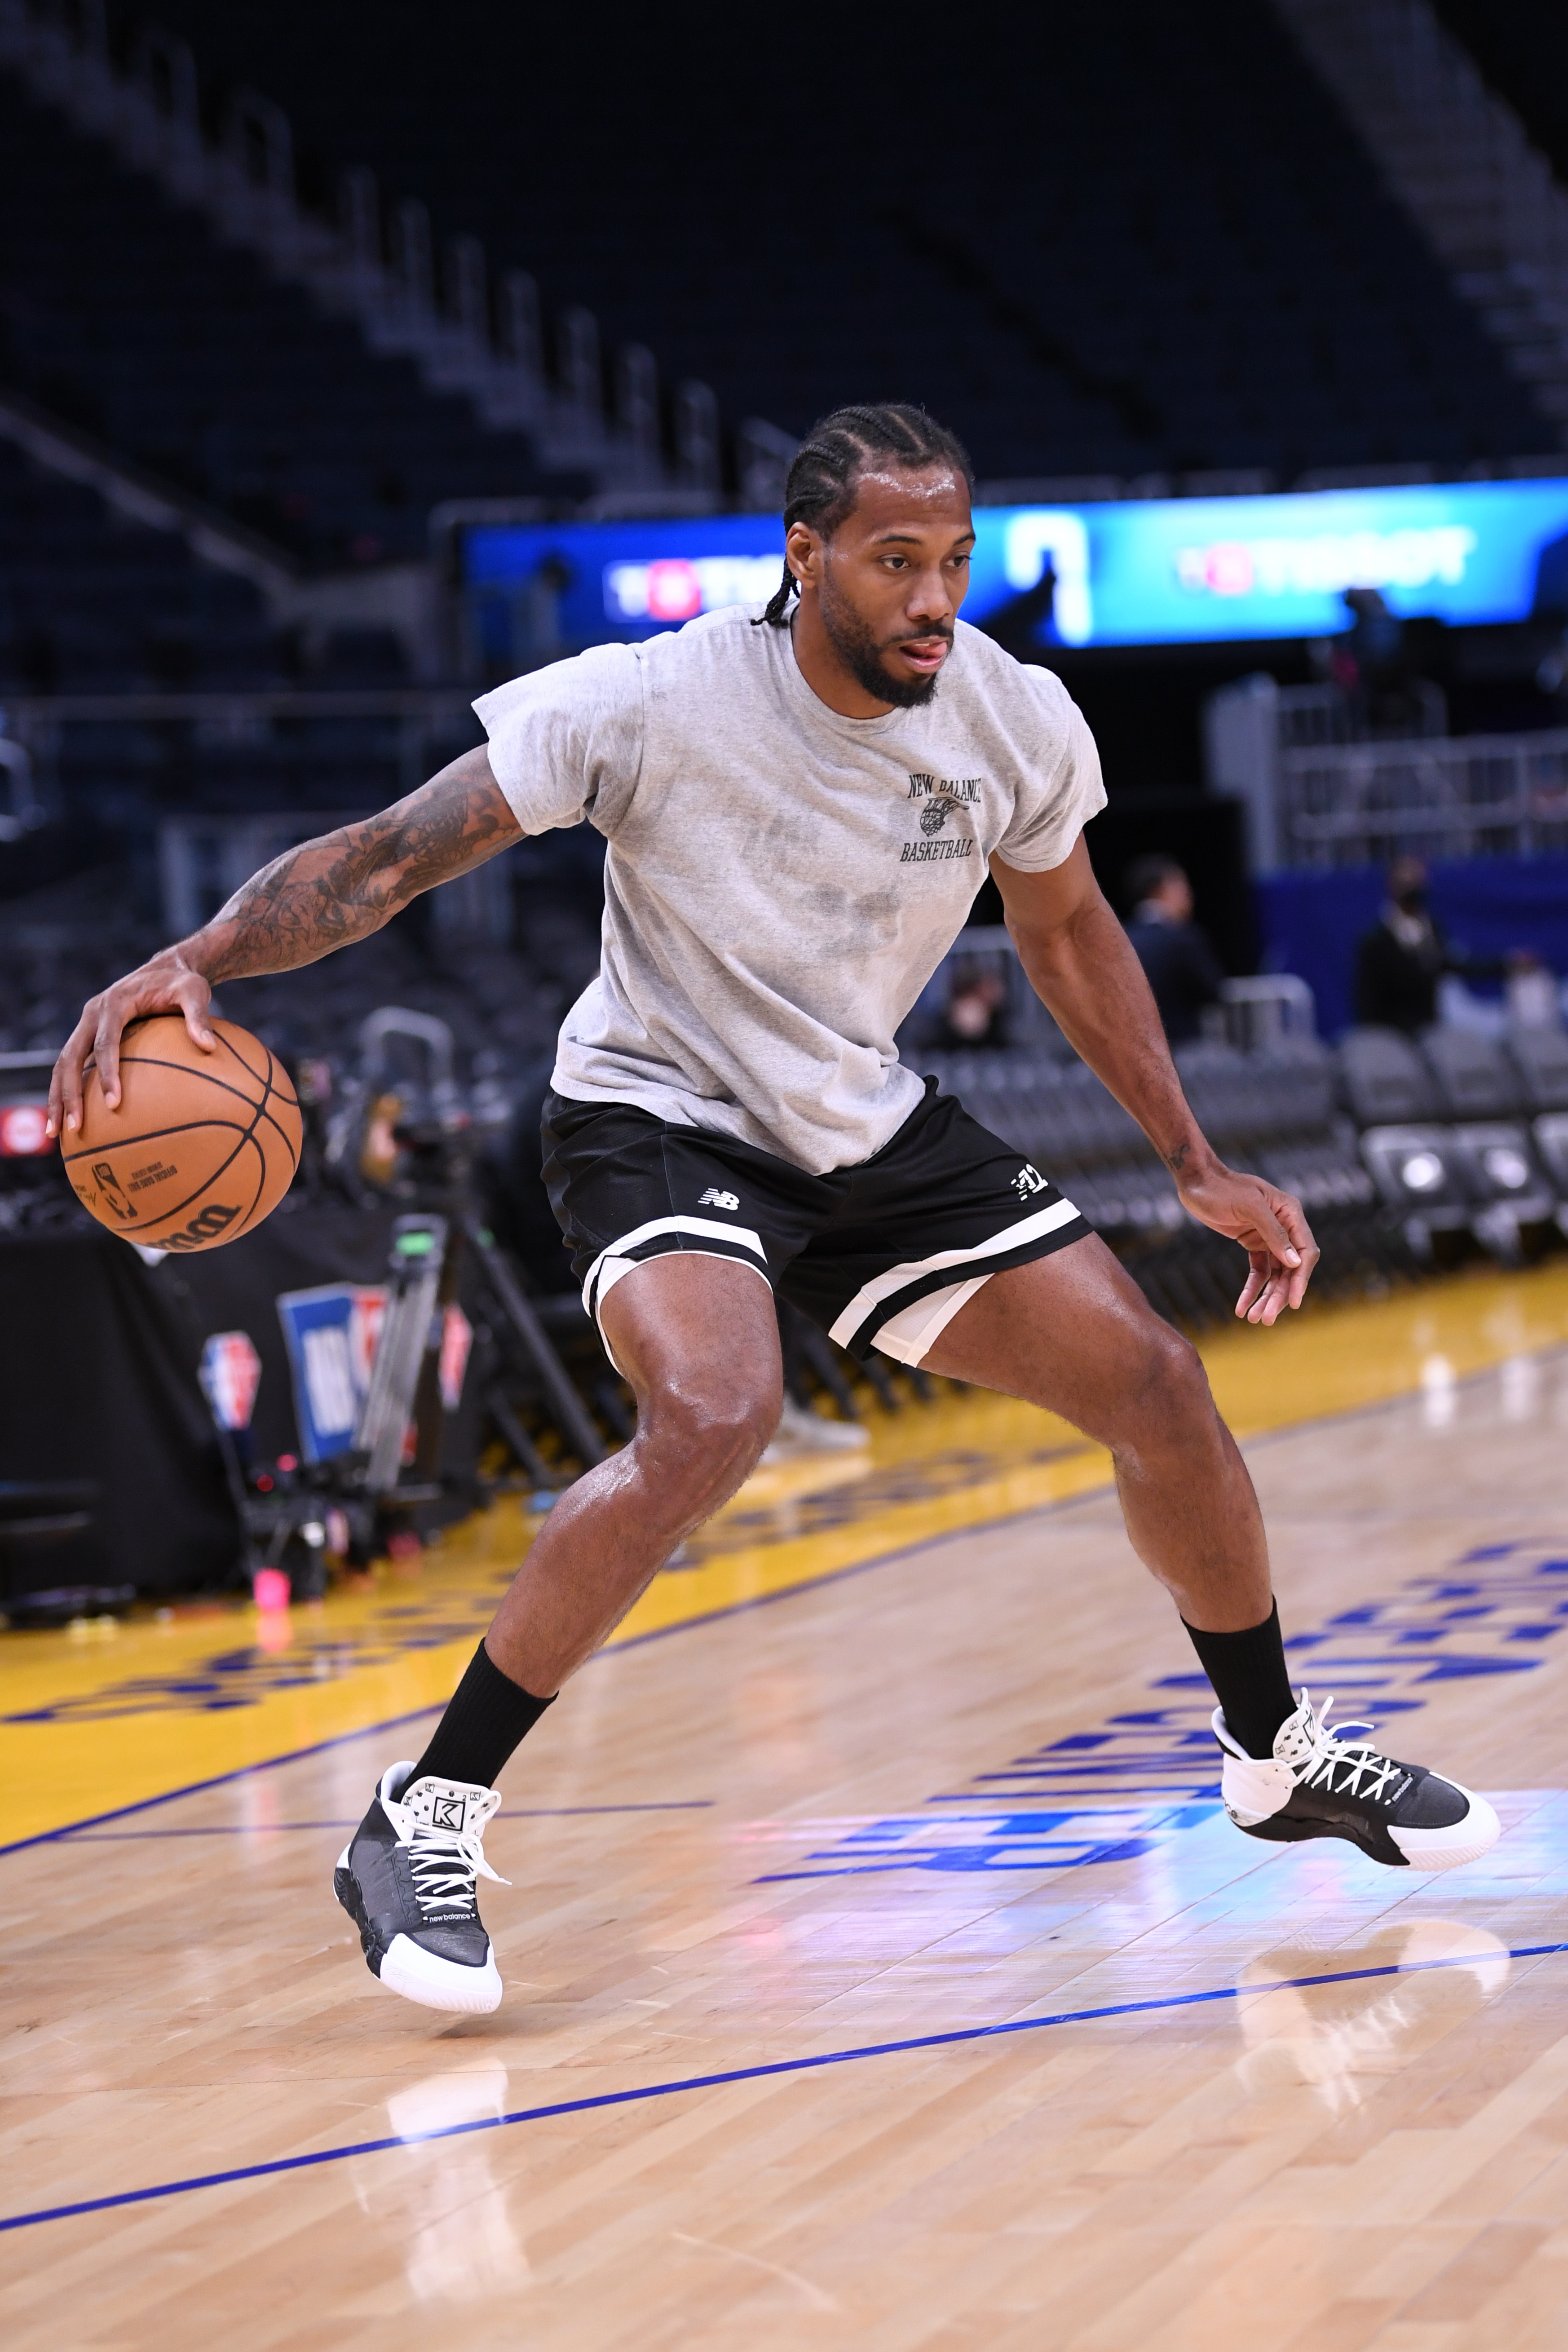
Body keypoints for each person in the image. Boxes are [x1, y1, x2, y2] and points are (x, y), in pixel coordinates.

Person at [50, 403, 1498, 2016]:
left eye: (952, 560)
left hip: (860, 1125)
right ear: (801, 558)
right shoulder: (647, 698)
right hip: (653, 1116)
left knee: (1156, 1383)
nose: (933, 598)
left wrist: (1188, 1155)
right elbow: (388, 859)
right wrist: (202, 960)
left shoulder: (1006, 716)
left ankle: (1268, 1751)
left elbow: (1073, 929)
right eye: (895, 561)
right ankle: (423, 1813)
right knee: (719, 1410)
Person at [1353, 856, 1504, 1034]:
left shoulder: (1431, 928)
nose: (1415, 889)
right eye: (1407, 882)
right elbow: (1368, 1003)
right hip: (1394, 1034)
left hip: (1430, 1029)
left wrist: (1504, 966)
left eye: (1419, 882)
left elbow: (1454, 964)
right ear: (1393, 886)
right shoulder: (1376, 941)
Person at [1122, 855, 1225, 1045]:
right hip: (1186, 1053)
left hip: (1133, 1052)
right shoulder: (1183, 939)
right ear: (1159, 890)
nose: (1189, 896)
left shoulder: (1120, 940)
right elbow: (1214, 992)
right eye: (1181, 887)